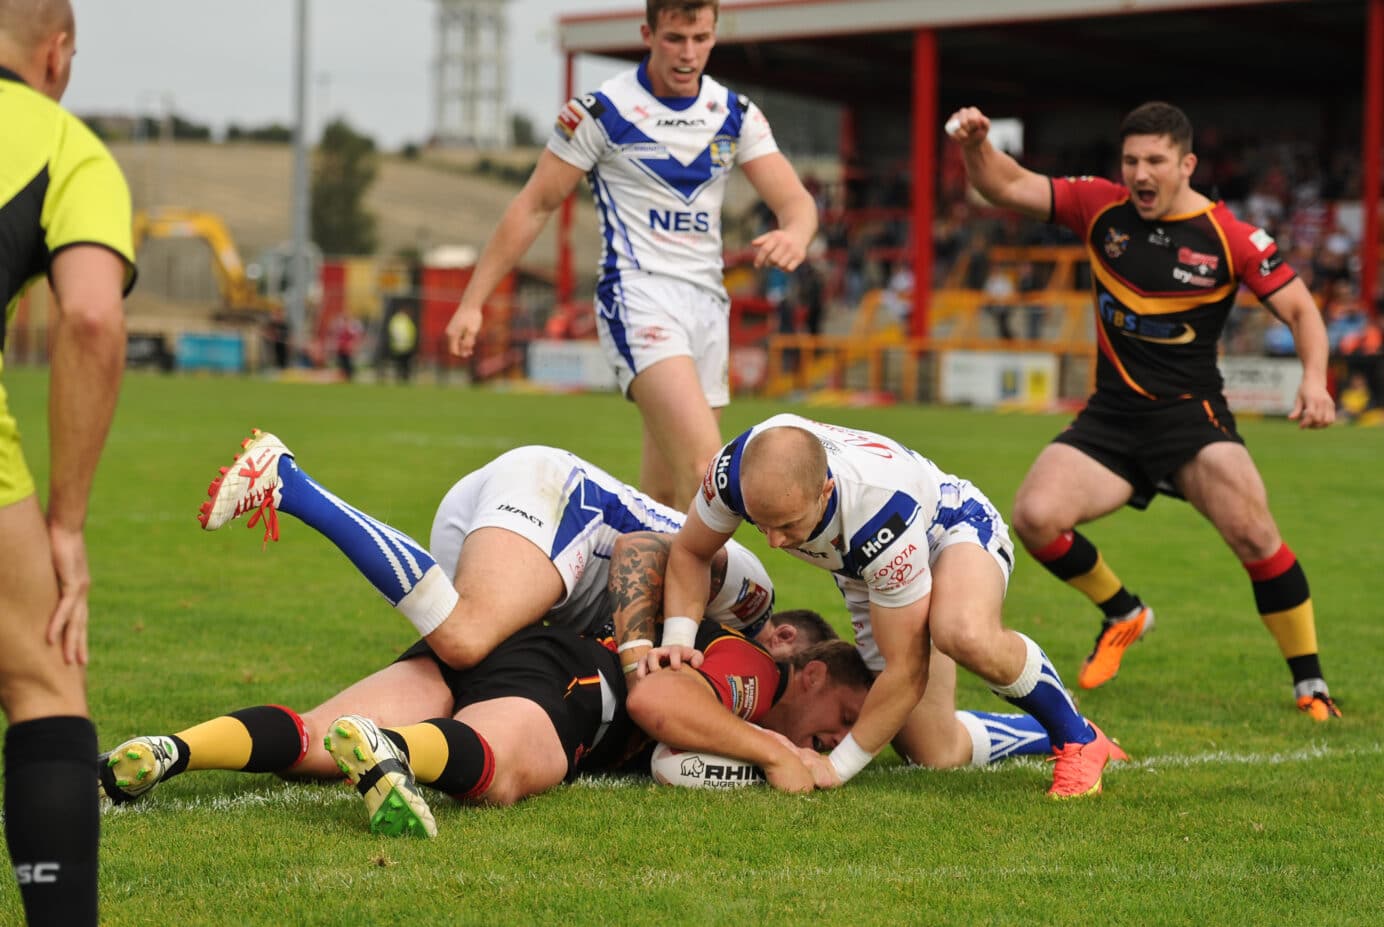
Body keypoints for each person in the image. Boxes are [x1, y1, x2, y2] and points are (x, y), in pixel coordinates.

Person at [947, 102, 1341, 720]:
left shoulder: (1230, 236)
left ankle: (1311, 685)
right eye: (1131, 160)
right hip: (1111, 418)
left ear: (1186, 164)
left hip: (1191, 418)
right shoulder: (1100, 206)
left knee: (1256, 536)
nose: (1139, 173)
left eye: (1155, 160)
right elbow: (1005, 183)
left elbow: (1301, 311)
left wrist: (1315, 380)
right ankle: (1124, 612)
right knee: (1035, 515)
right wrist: (976, 144)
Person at [441, 0, 817, 511]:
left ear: (714, 35)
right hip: (637, 297)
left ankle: (637, 589)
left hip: (708, 305)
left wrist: (795, 234)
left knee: (665, 497)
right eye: (674, 39)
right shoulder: (602, 112)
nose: (688, 54)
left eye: (701, 39)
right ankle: (734, 593)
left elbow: (796, 203)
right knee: (711, 473)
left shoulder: (734, 113)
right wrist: (472, 301)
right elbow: (534, 206)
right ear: (648, 32)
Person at [650, 414, 1124, 798]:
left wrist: (835, 769)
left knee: (962, 632)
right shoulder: (734, 471)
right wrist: (677, 641)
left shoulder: (877, 512)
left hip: (949, 528)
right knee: (932, 749)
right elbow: (692, 551)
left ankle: (1076, 739)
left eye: (789, 526)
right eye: (761, 524)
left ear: (825, 492)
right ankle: (1046, 727)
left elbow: (906, 671)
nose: (774, 542)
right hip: (858, 566)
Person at [98, 613, 865, 837]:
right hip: (572, 675)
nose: (834, 740)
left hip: (497, 644)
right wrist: (770, 746)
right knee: (498, 772)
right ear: (814, 673)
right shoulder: (758, 676)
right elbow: (657, 705)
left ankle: (174, 748)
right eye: (845, 720)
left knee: (308, 739)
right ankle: (392, 752)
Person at [197, 431, 779, 674]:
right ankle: (288, 483)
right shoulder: (754, 601)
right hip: (563, 503)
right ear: (790, 645)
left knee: (467, 663)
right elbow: (641, 549)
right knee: (465, 635)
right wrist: (639, 656)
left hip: (531, 539)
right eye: (835, 723)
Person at [0, 2, 136, 923]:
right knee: (43, 678)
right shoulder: (61, 143)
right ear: (56, 53)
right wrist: (67, 524)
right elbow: (90, 317)